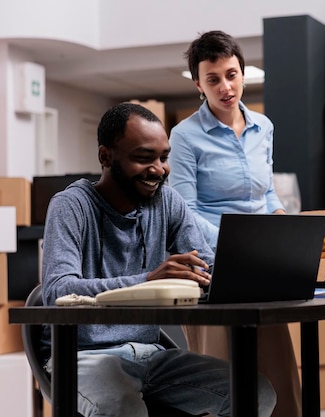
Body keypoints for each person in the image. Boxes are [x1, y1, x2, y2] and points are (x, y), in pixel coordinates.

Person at [40, 102, 277, 417]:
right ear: (105, 156)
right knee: (122, 408)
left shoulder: (166, 201)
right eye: (143, 158)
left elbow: (205, 269)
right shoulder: (71, 205)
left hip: (151, 355)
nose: (159, 169)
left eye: (163, 157)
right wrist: (148, 280)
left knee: (256, 393)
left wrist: (255, 271)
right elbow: (58, 291)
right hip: (83, 355)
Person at [168, 30, 302, 417]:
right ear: (198, 84)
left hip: (264, 262)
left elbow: (268, 194)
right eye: (213, 79)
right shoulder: (185, 136)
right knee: (222, 373)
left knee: (276, 365)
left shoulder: (264, 126)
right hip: (215, 264)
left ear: (243, 72)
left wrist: (280, 223)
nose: (225, 87)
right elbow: (186, 212)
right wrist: (240, 240)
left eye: (231, 74)